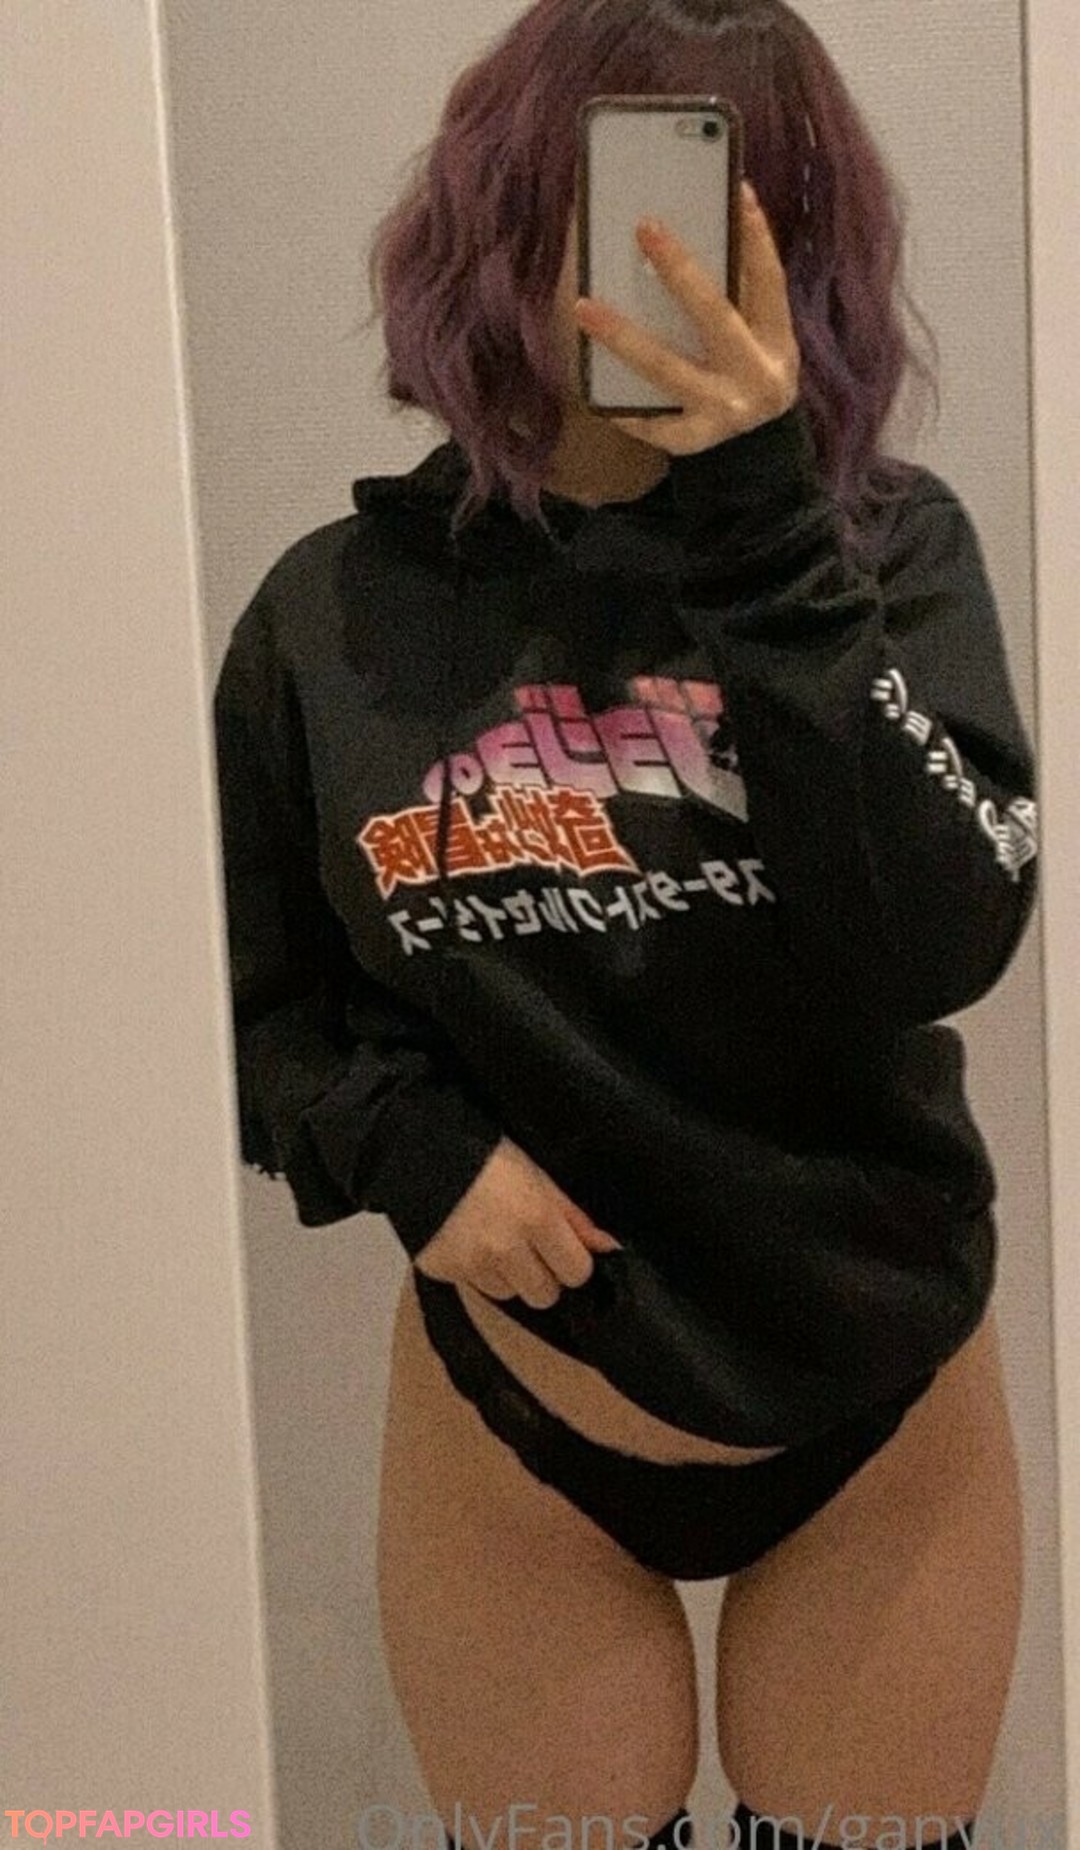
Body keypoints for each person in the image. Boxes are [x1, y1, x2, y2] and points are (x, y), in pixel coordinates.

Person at [211, 5, 1040, 1850]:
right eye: (608, 205)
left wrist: (762, 525)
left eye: (724, 215)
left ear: (804, 249)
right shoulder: (332, 620)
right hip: (518, 1428)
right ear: (501, 213)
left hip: (879, 1414)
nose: (656, 266)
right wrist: (410, 1151)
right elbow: (238, 1005)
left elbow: (940, 939)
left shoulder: (882, 560)